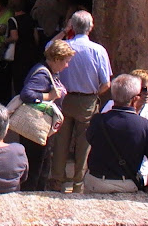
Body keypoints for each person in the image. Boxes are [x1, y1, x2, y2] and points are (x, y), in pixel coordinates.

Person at [48, 10, 112, 193]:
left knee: (61, 140)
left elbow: (47, 48)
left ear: (72, 26)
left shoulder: (64, 47)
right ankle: (78, 183)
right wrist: (94, 94)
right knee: (84, 144)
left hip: (64, 98)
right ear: (91, 27)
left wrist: (63, 30)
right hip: (87, 100)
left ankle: (57, 179)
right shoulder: (98, 51)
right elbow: (106, 83)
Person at [84, 74, 148, 193]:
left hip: (95, 182)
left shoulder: (97, 120)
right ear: (135, 98)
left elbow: (90, 139)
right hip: (126, 185)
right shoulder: (144, 126)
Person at [18, 40, 74, 191]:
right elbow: (27, 94)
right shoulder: (43, 73)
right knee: (35, 170)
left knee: (42, 168)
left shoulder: (49, 72)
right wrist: (49, 96)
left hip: (42, 129)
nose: (67, 65)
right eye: (66, 61)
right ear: (56, 59)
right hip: (36, 129)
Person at [5, 0, 39, 95]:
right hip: (31, 53)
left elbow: (14, 37)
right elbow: (36, 37)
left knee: (18, 83)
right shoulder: (30, 18)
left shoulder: (13, 20)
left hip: (19, 54)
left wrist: (4, 41)